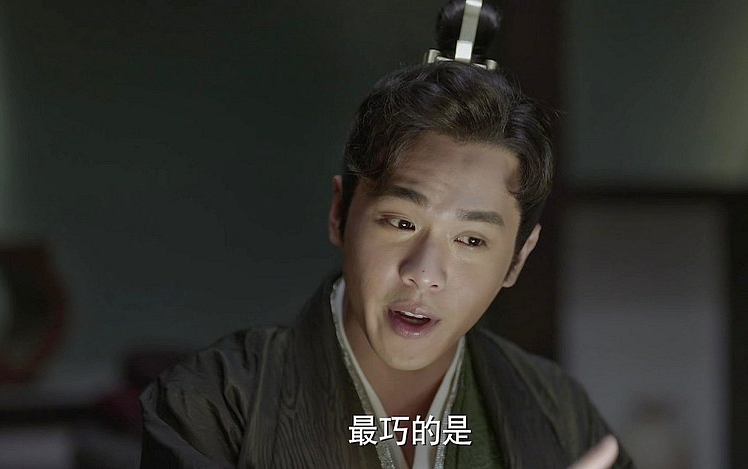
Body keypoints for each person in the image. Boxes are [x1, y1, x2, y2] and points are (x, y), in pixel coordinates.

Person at [140, 2, 633, 468]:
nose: (424, 273)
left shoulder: (558, 411)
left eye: (471, 240)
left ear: (518, 259)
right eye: (402, 223)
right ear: (340, 213)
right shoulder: (212, 403)